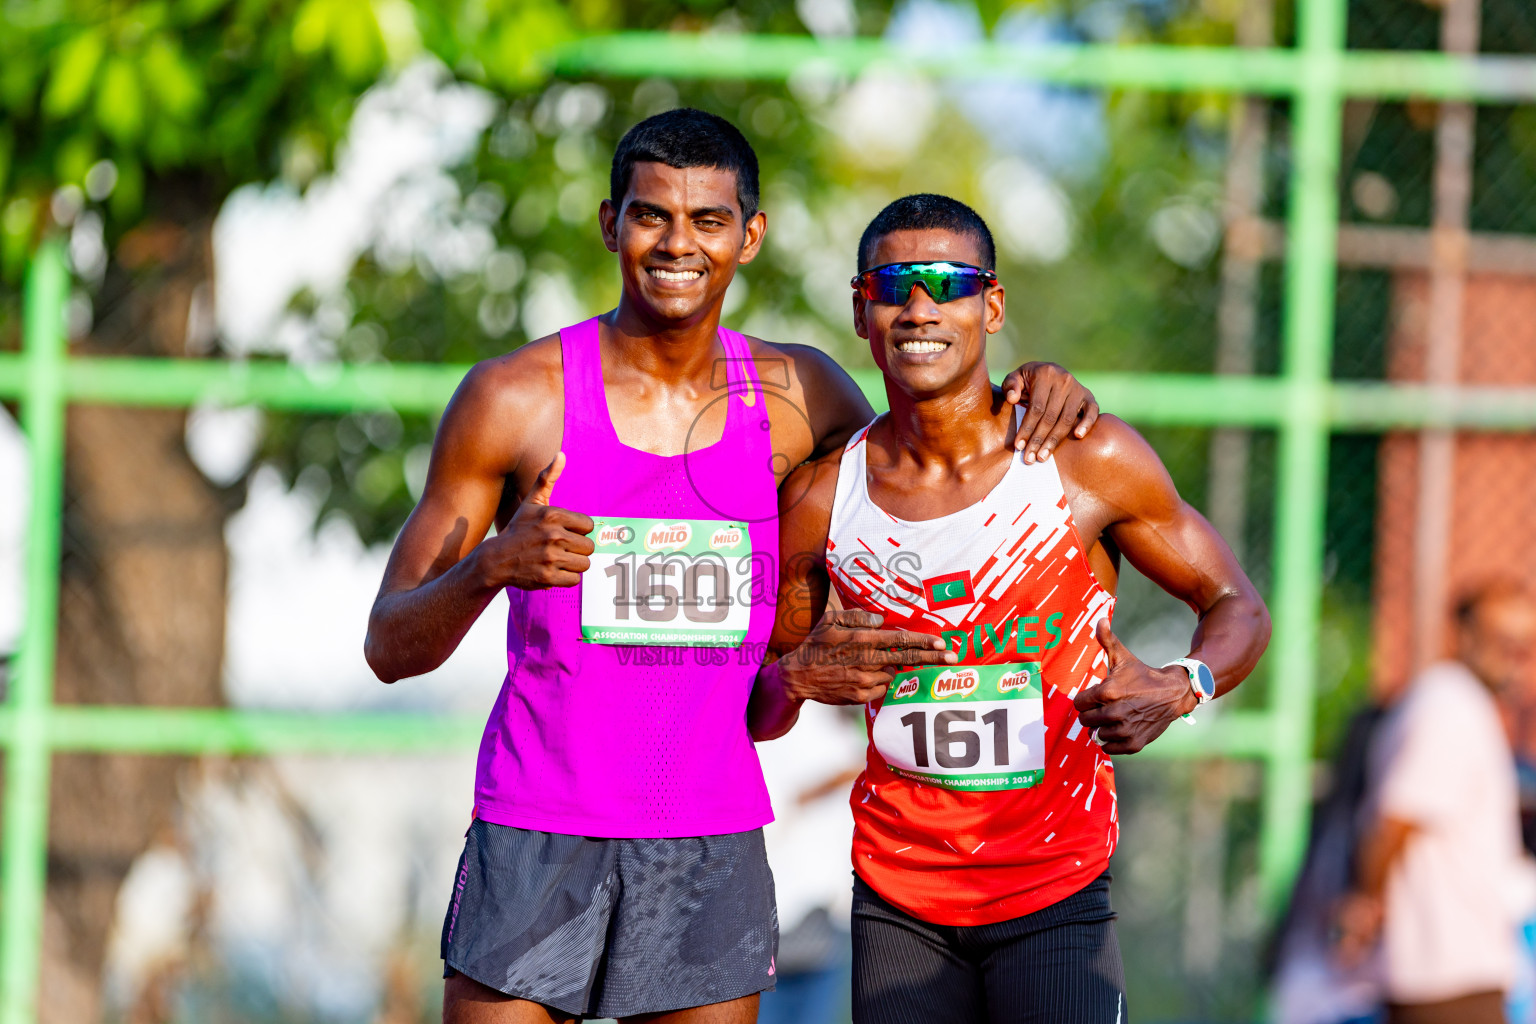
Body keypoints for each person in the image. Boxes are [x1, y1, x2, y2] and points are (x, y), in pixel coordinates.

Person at [363, 111, 1100, 1024]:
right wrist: (490, 570)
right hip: (539, 825)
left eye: (708, 220)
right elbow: (389, 647)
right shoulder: (515, 399)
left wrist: (1041, 386)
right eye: (650, 216)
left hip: (707, 837)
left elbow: (934, 464)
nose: (678, 244)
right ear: (609, 224)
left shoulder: (803, 398)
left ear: (749, 237)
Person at [748, 194, 1271, 1023]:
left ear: (990, 305)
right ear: (861, 310)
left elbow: (1235, 602)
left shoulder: (1081, 460)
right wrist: (802, 677)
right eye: (893, 284)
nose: (920, 307)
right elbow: (762, 707)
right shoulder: (820, 499)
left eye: (946, 282)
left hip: (1054, 887)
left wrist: (1185, 683)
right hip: (899, 895)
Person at [1334, 580, 1536, 1024]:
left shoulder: (1461, 704)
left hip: (1452, 968)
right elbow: (1397, 820)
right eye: (1503, 640)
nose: (1515, 657)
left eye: (1524, 645)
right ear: (1463, 634)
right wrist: (1365, 906)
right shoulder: (1449, 706)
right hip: (1447, 969)